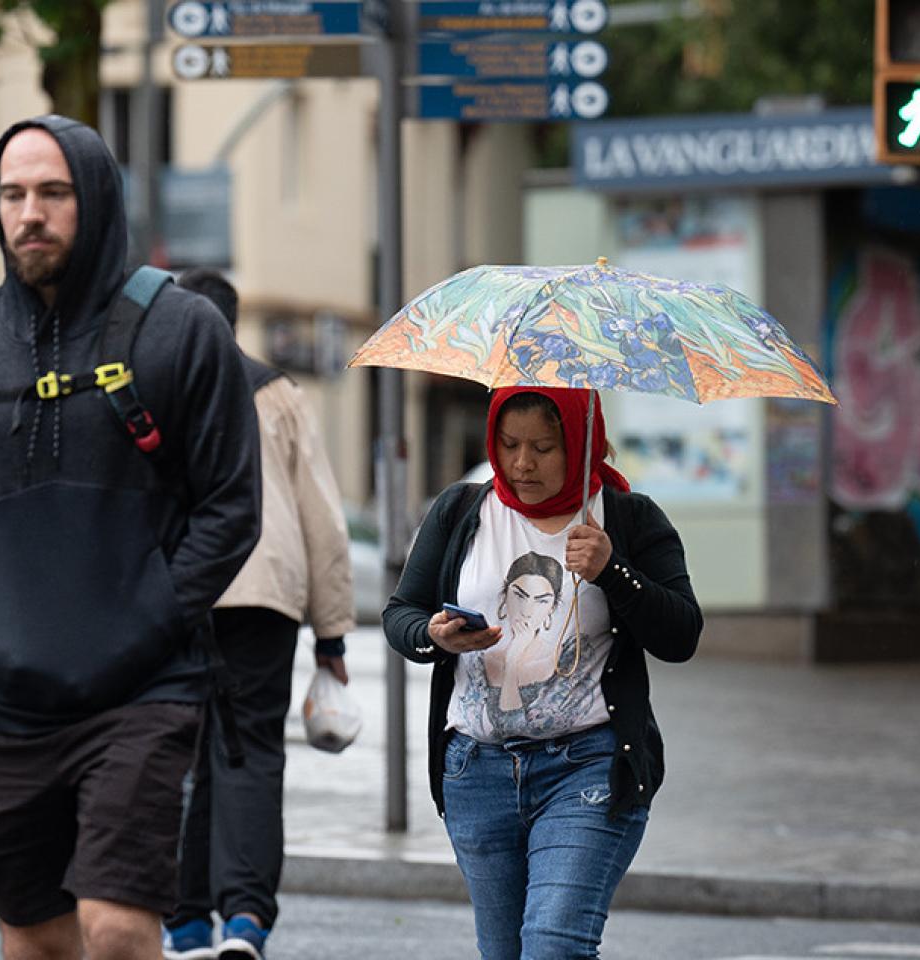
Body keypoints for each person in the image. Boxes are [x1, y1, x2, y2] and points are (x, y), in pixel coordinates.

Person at [0, 116, 260, 959]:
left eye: (53, 193)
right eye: (12, 194)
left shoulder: (182, 330)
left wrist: (152, 616)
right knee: (33, 938)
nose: (30, 214)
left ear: (95, 198)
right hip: (3, 700)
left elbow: (232, 506)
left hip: (142, 687)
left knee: (118, 927)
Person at [384, 386, 702, 959]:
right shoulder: (462, 511)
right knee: (503, 952)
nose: (522, 463)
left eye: (544, 447)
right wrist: (433, 635)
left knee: (554, 944)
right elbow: (401, 613)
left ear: (580, 443)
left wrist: (612, 571)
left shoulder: (628, 519)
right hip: (475, 772)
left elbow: (681, 635)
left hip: (587, 766)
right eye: (509, 445)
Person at [164, 269, 355, 960]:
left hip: (176, 596)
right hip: (263, 596)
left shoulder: (156, 391)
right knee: (250, 752)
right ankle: (245, 920)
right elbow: (322, 519)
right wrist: (331, 633)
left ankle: (185, 923)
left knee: (179, 757)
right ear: (233, 321)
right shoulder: (278, 393)